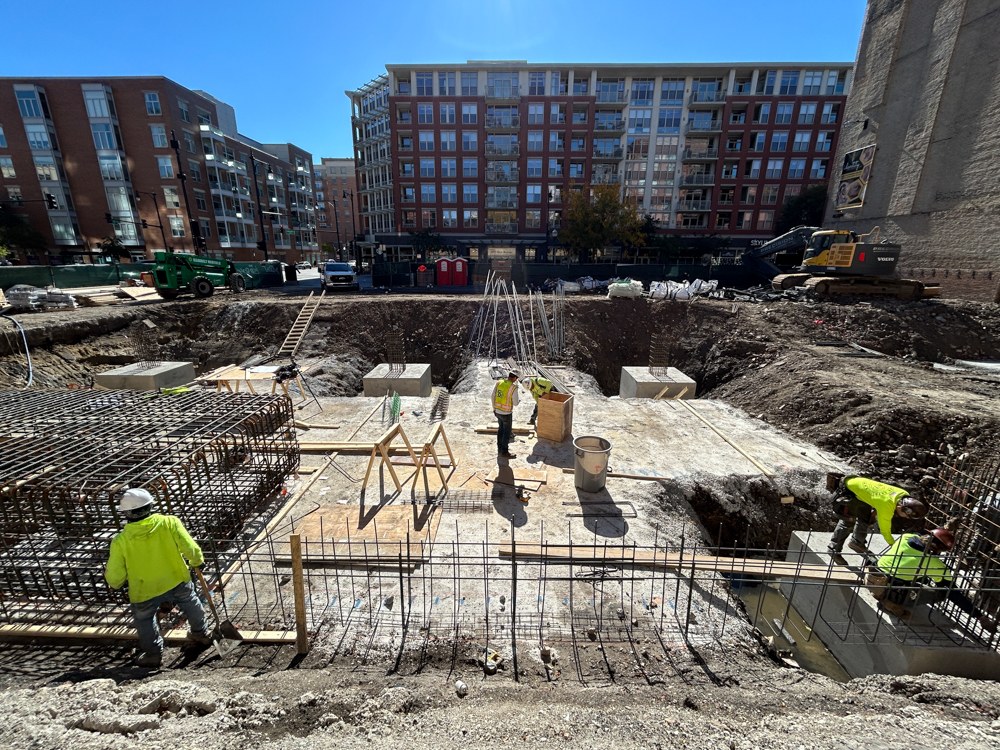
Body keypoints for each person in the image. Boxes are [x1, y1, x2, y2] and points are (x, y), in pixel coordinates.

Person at [105, 488, 212, 668]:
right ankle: (201, 633)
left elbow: (115, 575)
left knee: (145, 619)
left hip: (144, 589)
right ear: (150, 506)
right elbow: (189, 547)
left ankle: (153, 655)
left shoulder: (121, 541)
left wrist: (114, 583)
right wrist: (197, 560)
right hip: (176, 578)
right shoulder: (169, 523)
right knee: (190, 602)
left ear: (126, 513)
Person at [873, 529, 993, 630]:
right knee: (942, 592)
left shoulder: (905, 537)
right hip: (891, 590)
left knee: (920, 576)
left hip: (874, 577)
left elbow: (921, 534)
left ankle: (880, 592)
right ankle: (892, 601)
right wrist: (979, 616)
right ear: (939, 549)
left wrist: (943, 529)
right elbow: (952, 593)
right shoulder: (934, 564)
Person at [827, 475, 927, 565]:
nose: (905, 518)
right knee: (848, 521)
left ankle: (856, 542)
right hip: (849, 490)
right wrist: (894, 544)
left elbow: (878, 498)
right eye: (906, 516)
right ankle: (833, 549)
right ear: (900, 508)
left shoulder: (903, 494)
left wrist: (874, 513)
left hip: (863, 491)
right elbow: (885, 531)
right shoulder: (887, 506)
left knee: (866, 517)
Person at [492, 370, 520, 458]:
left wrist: (494, 408)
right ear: (515, 378)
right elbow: (515, 403)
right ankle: (504, 452)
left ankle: (499, 448)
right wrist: (518, 401)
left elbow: (492, 396)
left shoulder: (499, 383)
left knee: (500, 430)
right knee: (506, 433)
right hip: (506, 413)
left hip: (497, 411)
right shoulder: (513, 387)